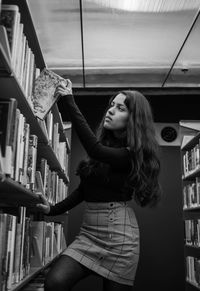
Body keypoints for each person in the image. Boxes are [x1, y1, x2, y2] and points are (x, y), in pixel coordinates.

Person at [36, 80, 161, 291]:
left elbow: (95, 150)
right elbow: (84, 191)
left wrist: (69, 100)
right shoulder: (105, 149)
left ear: (134, 119)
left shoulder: (132, 155)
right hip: (88, 234)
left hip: (120, 238)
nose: (110, 111)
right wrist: (51, 209)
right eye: (111, 105)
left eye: (120, 108)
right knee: (54, 282)